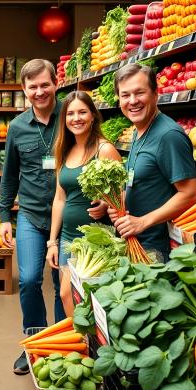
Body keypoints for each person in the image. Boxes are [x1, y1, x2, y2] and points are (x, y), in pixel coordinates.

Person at [0, 58, 65, 375]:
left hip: (69, 216)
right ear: (24, 90)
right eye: (32, 87)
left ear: (55, 83)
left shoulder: (73, 115)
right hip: (31, 214)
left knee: (63, 282)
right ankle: (36, 345)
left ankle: (63, 346)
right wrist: (4, 216)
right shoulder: (17, 127)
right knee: (28, 280)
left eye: (44, 85)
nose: (39, 92)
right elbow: (9, 175)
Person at [109, 63, 196, 261]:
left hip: (157, 251)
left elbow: (190, 193)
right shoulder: (138, 130)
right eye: (125, 95)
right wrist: (117, 204)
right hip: (136, 243)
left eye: (139, 92)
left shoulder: (168, 135)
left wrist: (142, 222)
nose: (133, 101)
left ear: (155, 94)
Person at [46, 91, 121, 317]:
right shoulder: (64, 150)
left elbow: (121, 199)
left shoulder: (104, 150)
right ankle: (81, 348)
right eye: (70, 113)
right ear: (64, 119)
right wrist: (52, 242)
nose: (76, 118)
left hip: (94, 239)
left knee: (76, 297)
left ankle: (86, 348)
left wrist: (107, 205)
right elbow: (60, 198)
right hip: (68, 238)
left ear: (93, 116)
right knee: (69, 298)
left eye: (82, 112)